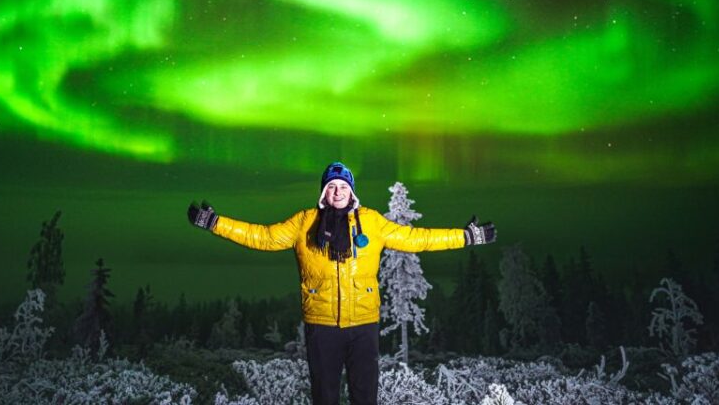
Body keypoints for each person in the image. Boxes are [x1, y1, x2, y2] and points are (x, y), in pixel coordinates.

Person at [187, 161, 496, 405]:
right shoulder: (304, 222)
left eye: (343, 186)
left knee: (365, 397)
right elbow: (263, 237)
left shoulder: (371, 222)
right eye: (331, 186)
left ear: (352, 191)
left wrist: (466, 236)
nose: (337, 192)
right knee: (325, 397)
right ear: (324, 192)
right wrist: (215, 223)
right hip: (322, 326)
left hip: (363, 325)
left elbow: (418, 238)